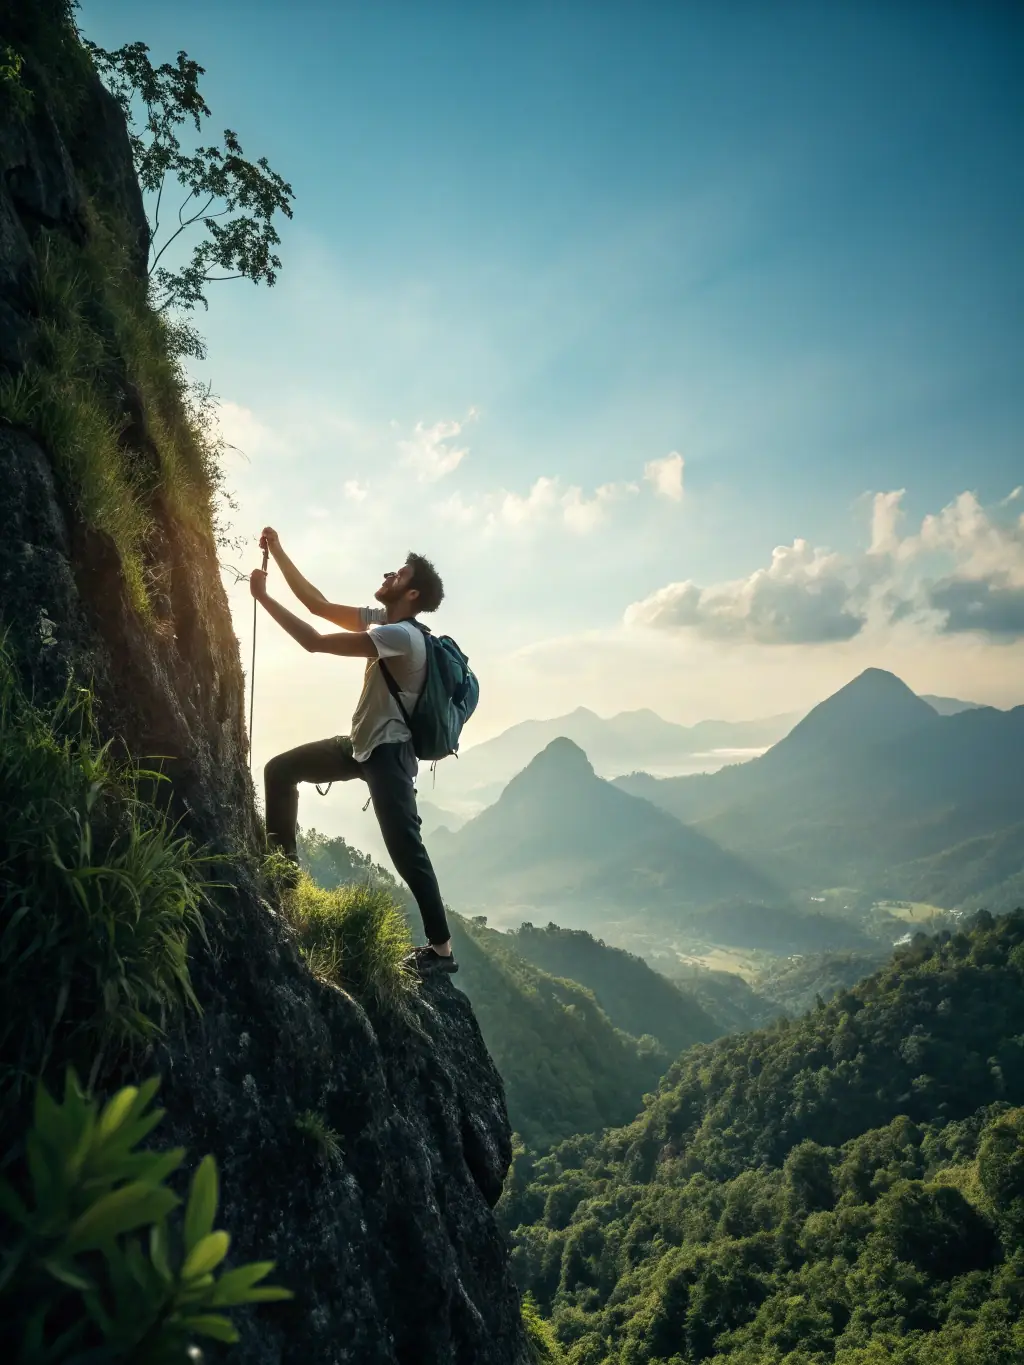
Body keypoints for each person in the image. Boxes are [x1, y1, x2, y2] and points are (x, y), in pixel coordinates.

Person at [249, 526, 457, 975]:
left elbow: (314, 641)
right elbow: (318, 606)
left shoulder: (403, 637)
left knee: (406, 849)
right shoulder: (384, 621)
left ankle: (442, 951)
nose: (387, 575)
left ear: (412, 593)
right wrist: (278, 551)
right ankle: (284, 884)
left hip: (389, 756)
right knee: (280, 771)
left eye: (398, 575)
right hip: (361, 746)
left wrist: (264, 599)